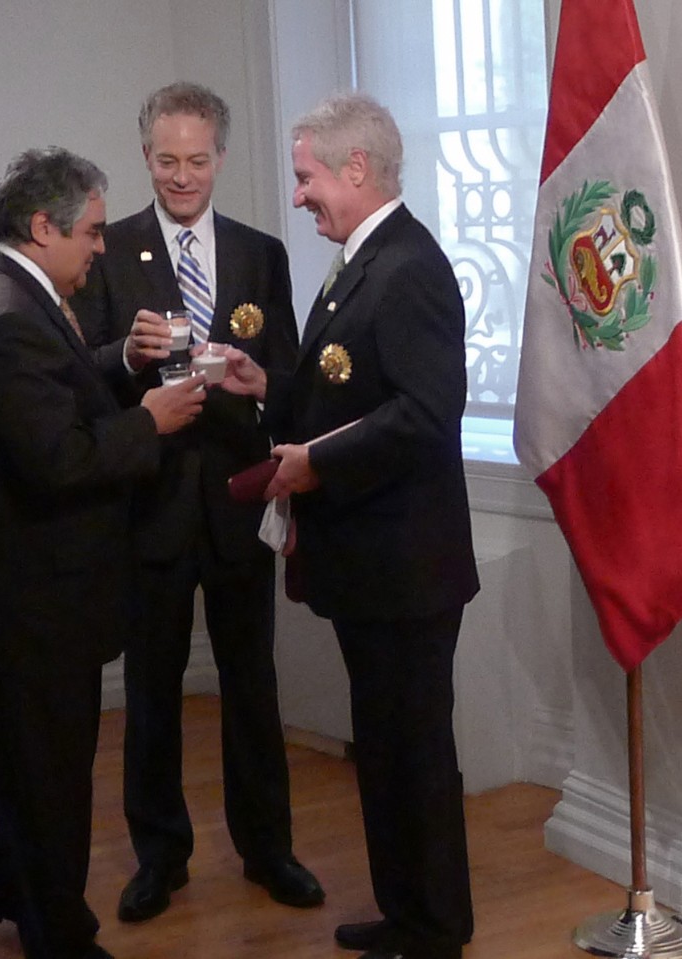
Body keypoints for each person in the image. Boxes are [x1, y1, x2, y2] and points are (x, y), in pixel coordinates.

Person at [220, 93, 480, 959]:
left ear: (355, 169)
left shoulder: (407, 267)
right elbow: (346, 385)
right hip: (370, 564)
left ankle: (436, 929)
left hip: (406, 565)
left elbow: (426, 412)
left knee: (412, 755)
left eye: (306, 176)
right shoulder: (360, 259)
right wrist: (270, 388)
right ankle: (405, 913)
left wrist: (315, 463)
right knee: (384, 748)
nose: (298, 196)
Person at [0, 146, 204, 959]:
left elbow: (58, 392)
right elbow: (57, 459)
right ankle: (61, 936)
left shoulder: (6, 290)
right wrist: (149, 421)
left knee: (33, 775)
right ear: (43, 225)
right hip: (33, 608)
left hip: (22, 604)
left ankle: (6, 884)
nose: (100, 247)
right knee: (49, 785)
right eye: (89, 232)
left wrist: (120, 363)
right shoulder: (11, 313)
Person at [72, 82, 324, 922]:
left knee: (254, 685)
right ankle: (159, 856)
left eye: (197, 159)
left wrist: (263, 385)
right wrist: (124, 354)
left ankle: (268, 848)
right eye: (166, 160)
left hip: (238, 501)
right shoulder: (110, 251)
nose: (182, 176)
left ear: (221, 156)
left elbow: (285, 378)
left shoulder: (261, 253)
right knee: (151, 693)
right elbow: (81, 382)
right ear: (146, 157)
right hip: (148, 505)